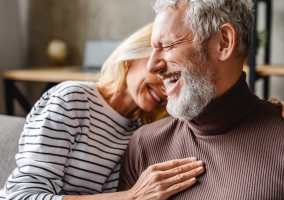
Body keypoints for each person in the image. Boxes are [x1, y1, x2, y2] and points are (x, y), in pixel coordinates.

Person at [0, 24, 205, 200]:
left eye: (175, 81)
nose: (165, 89)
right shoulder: (72, 99)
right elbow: (21, 196)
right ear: (134, 56)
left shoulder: (140, 131)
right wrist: (131, 197)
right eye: (162, 73)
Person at [120, 0, 284, 199]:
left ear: (224, 42)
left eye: (168, 46)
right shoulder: (145, 144)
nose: (152, 65)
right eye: (154, 49)